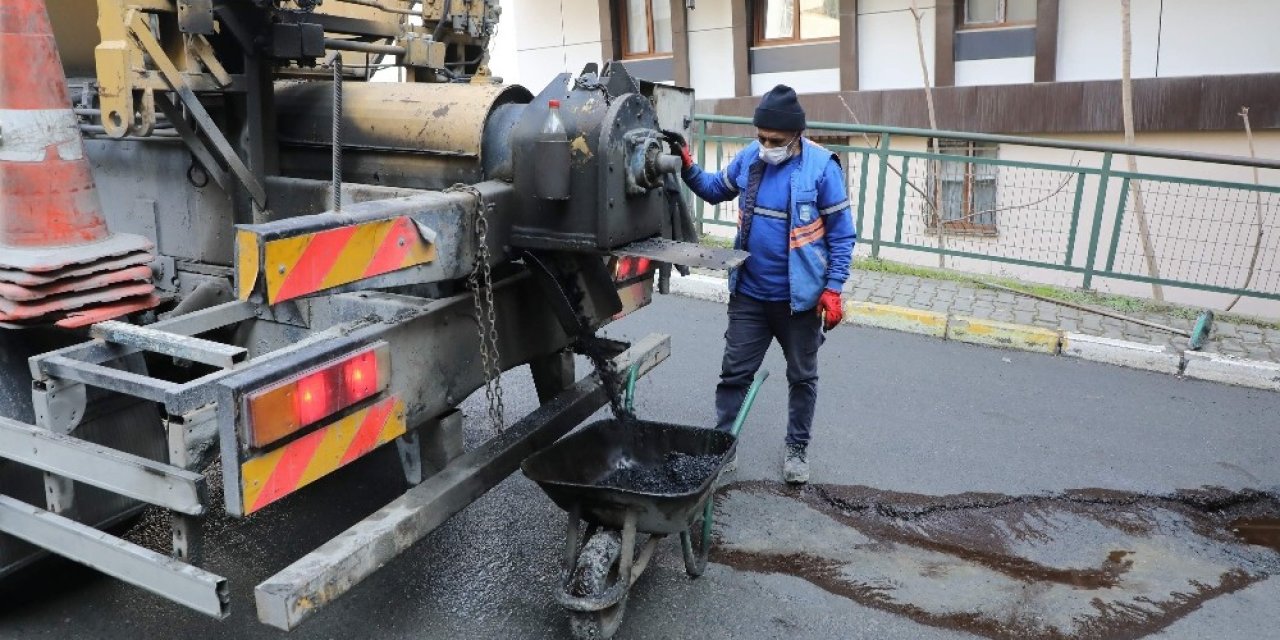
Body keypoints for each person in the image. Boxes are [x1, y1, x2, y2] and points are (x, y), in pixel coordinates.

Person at [664, 85, 856, 484]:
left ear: (796, 136)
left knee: (802, 377)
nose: (766, 146)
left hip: (798, 301)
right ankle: (724, 446)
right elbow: (716, 190)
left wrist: (833, 288)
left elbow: (842, 235)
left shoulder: (823, 168)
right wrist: (686, 167)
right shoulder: (751, 158)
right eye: (760, 137)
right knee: (734, 373)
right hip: (749, 294)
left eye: (775, 141)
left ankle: (797, 449)